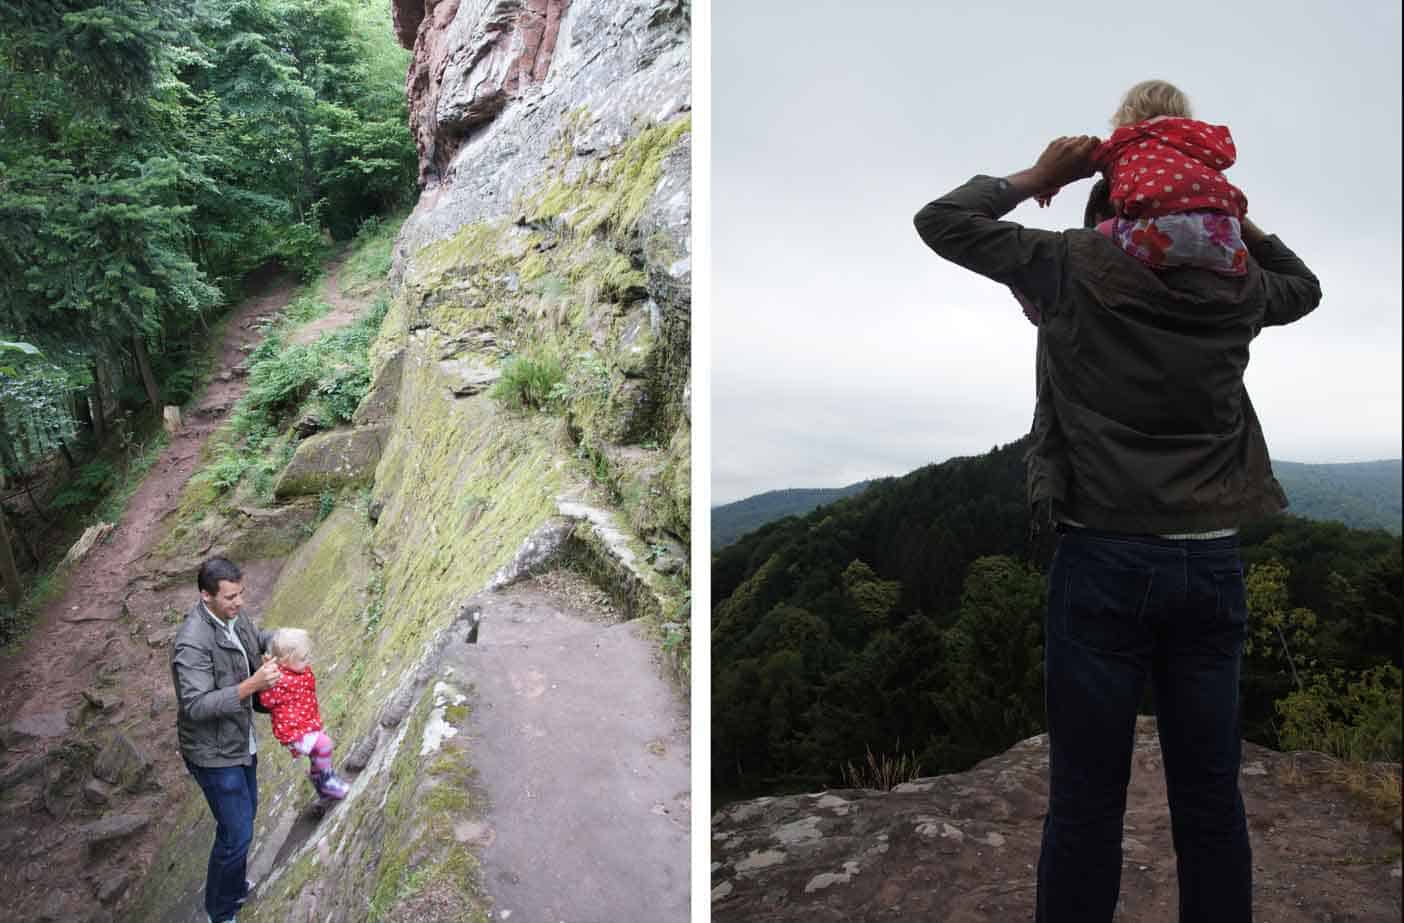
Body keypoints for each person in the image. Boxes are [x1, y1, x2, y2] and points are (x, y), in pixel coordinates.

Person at [913, 135, 1321, 922]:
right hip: (1210, 565)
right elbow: (1304, 286)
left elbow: (943, 221)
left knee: (1085, 807)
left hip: (1101, 558)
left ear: (1108, 204)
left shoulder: (1072, 264)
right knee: (1209, 801)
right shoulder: (1236, 283)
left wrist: (1038, 177)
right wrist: (1231, 216)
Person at [1038, 79, 1250, 275]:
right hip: (1225, 242)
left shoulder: (1124, 142)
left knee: (1094, 237)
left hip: (1158, 236)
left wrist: (1048, 185)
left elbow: (1078, 158)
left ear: (1128, 112)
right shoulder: (1197, 142)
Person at [171, 556, 282, 923]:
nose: (239, 602)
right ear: (206, 596)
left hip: (238, 739)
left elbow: (253, 642)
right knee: (235, 832)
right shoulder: (192, 643)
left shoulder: (234, 617)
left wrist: (279, 640)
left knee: (245, 821)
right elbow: (196, 705)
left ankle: (233, 890)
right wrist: (252, 685)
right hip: (212, 753)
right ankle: (219, 913)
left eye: (241, 594)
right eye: (231, 597)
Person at [256, 627, 350, 800]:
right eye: (302, 659)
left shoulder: (301, 670)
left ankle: (320, 783)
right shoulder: (276, 679)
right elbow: (266, 702)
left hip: (308, 722)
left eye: (307, 657)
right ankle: (327, 781)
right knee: (324, 745)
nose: (307, 661)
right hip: (294, 731)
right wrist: (265, 683)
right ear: (284, 661)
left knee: (317, 754)